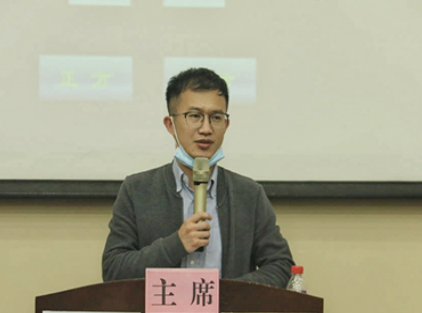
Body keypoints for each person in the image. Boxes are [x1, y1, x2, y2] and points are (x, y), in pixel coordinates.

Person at [102, 67, 294, 287]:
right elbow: (113, 269)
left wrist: (226, 293)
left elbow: (281, 266)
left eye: (216, 118)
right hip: (161, 310)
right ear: (170, 125)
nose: (206, 129)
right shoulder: (137, 189)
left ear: (226, 125)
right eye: (194, 116)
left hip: (227, 310)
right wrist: (176, 244)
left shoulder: (249, 194)